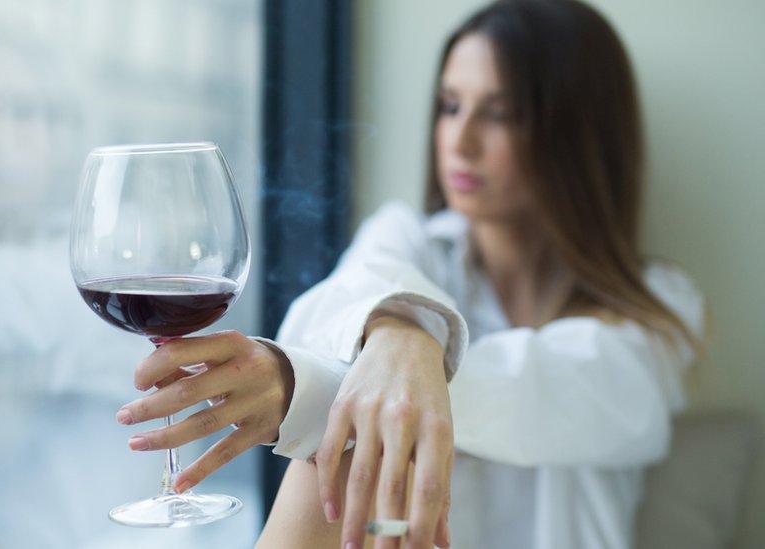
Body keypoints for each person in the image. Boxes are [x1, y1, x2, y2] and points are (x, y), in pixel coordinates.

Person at [121, 1, 706, 548]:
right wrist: (402, 335)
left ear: (577, 135)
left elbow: (539, 397)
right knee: (344, 437)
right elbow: (319, 318)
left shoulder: (658, 309)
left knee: (353, 421)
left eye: (499, 114)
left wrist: (336, 379)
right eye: (451, 106)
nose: (461, 140)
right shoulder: (411, 241)